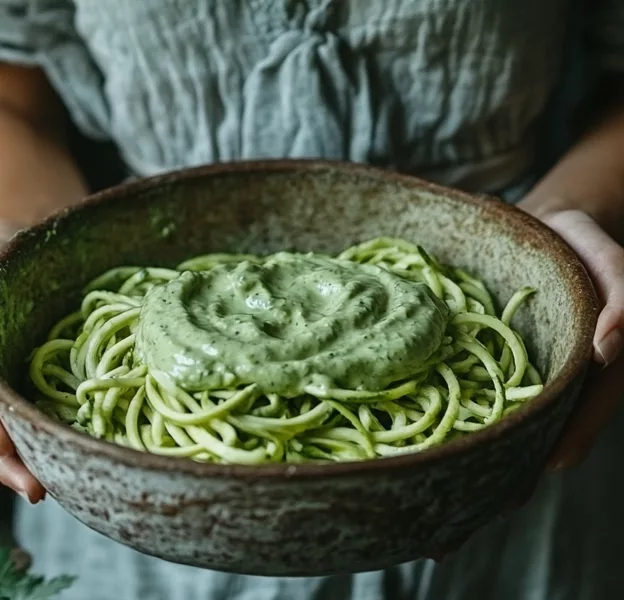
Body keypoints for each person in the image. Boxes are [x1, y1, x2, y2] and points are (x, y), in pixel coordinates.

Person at [1, 1, 624, 598]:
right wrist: (32, 256)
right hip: (127, 502)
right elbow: (12, 88)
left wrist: (572, 216)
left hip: (493, 330)